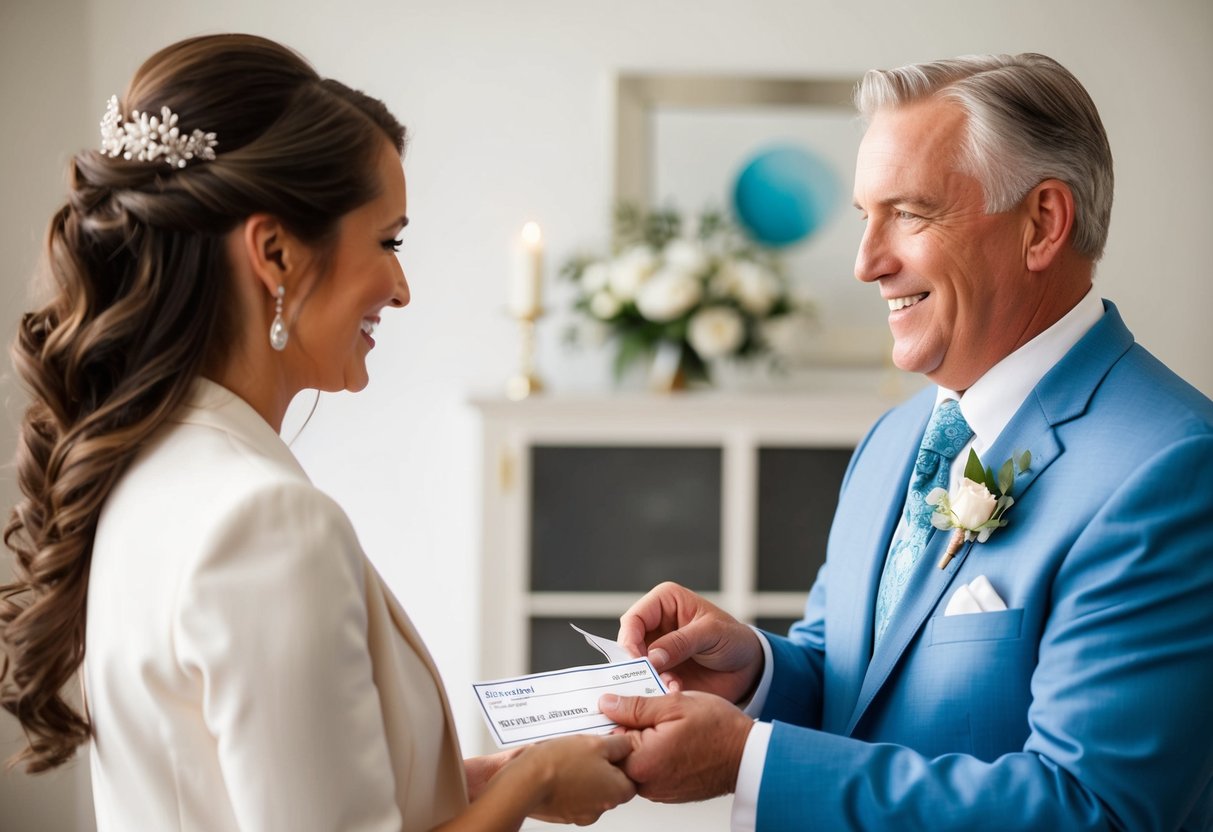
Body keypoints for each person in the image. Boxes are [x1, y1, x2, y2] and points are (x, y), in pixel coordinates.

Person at [0, 34, 634, 831]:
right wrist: (537, 780)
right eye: (388, 241)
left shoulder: (145, 469)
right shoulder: (264, 520)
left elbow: (241, 784)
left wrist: (473, 782)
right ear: (274, 252)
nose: (400, 288)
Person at [598, 52, 1213, 830]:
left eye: (910, 213)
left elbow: (1091, 811)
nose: (866, 263)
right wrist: (753, 671)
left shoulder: (1172, 468)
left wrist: (748, 758)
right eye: (863, 216)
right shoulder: (895, 440)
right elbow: (858, 683)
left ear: (1042, 224)